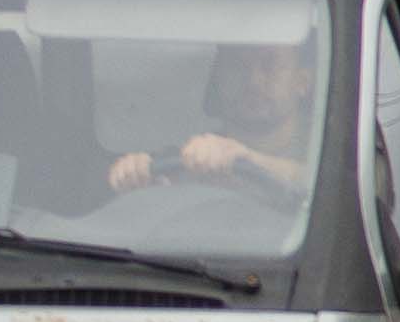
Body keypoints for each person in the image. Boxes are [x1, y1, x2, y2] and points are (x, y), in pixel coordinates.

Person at [114, 38, 317, 206]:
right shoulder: (191, 158)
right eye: (238, 65)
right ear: (218, 78)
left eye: (270, 65)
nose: (253, 80)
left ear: (303, 82)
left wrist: (248, 160)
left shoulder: (328, 147)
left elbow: (327, 186)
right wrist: (136, 175)